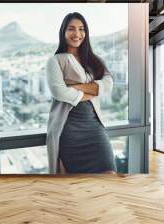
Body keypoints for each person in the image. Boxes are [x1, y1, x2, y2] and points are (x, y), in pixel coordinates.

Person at [46, 12, 116, 174]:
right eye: (71, 29)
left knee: (109, 174)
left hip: (94, 128)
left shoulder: (94, 60)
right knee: (76, 184)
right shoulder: (55, 61)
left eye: (81, 29)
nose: (77, 34)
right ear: (63, 32)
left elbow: (108, 84)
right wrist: (92, 89)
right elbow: (59, 92)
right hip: (69, 130)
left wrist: (76, 86)